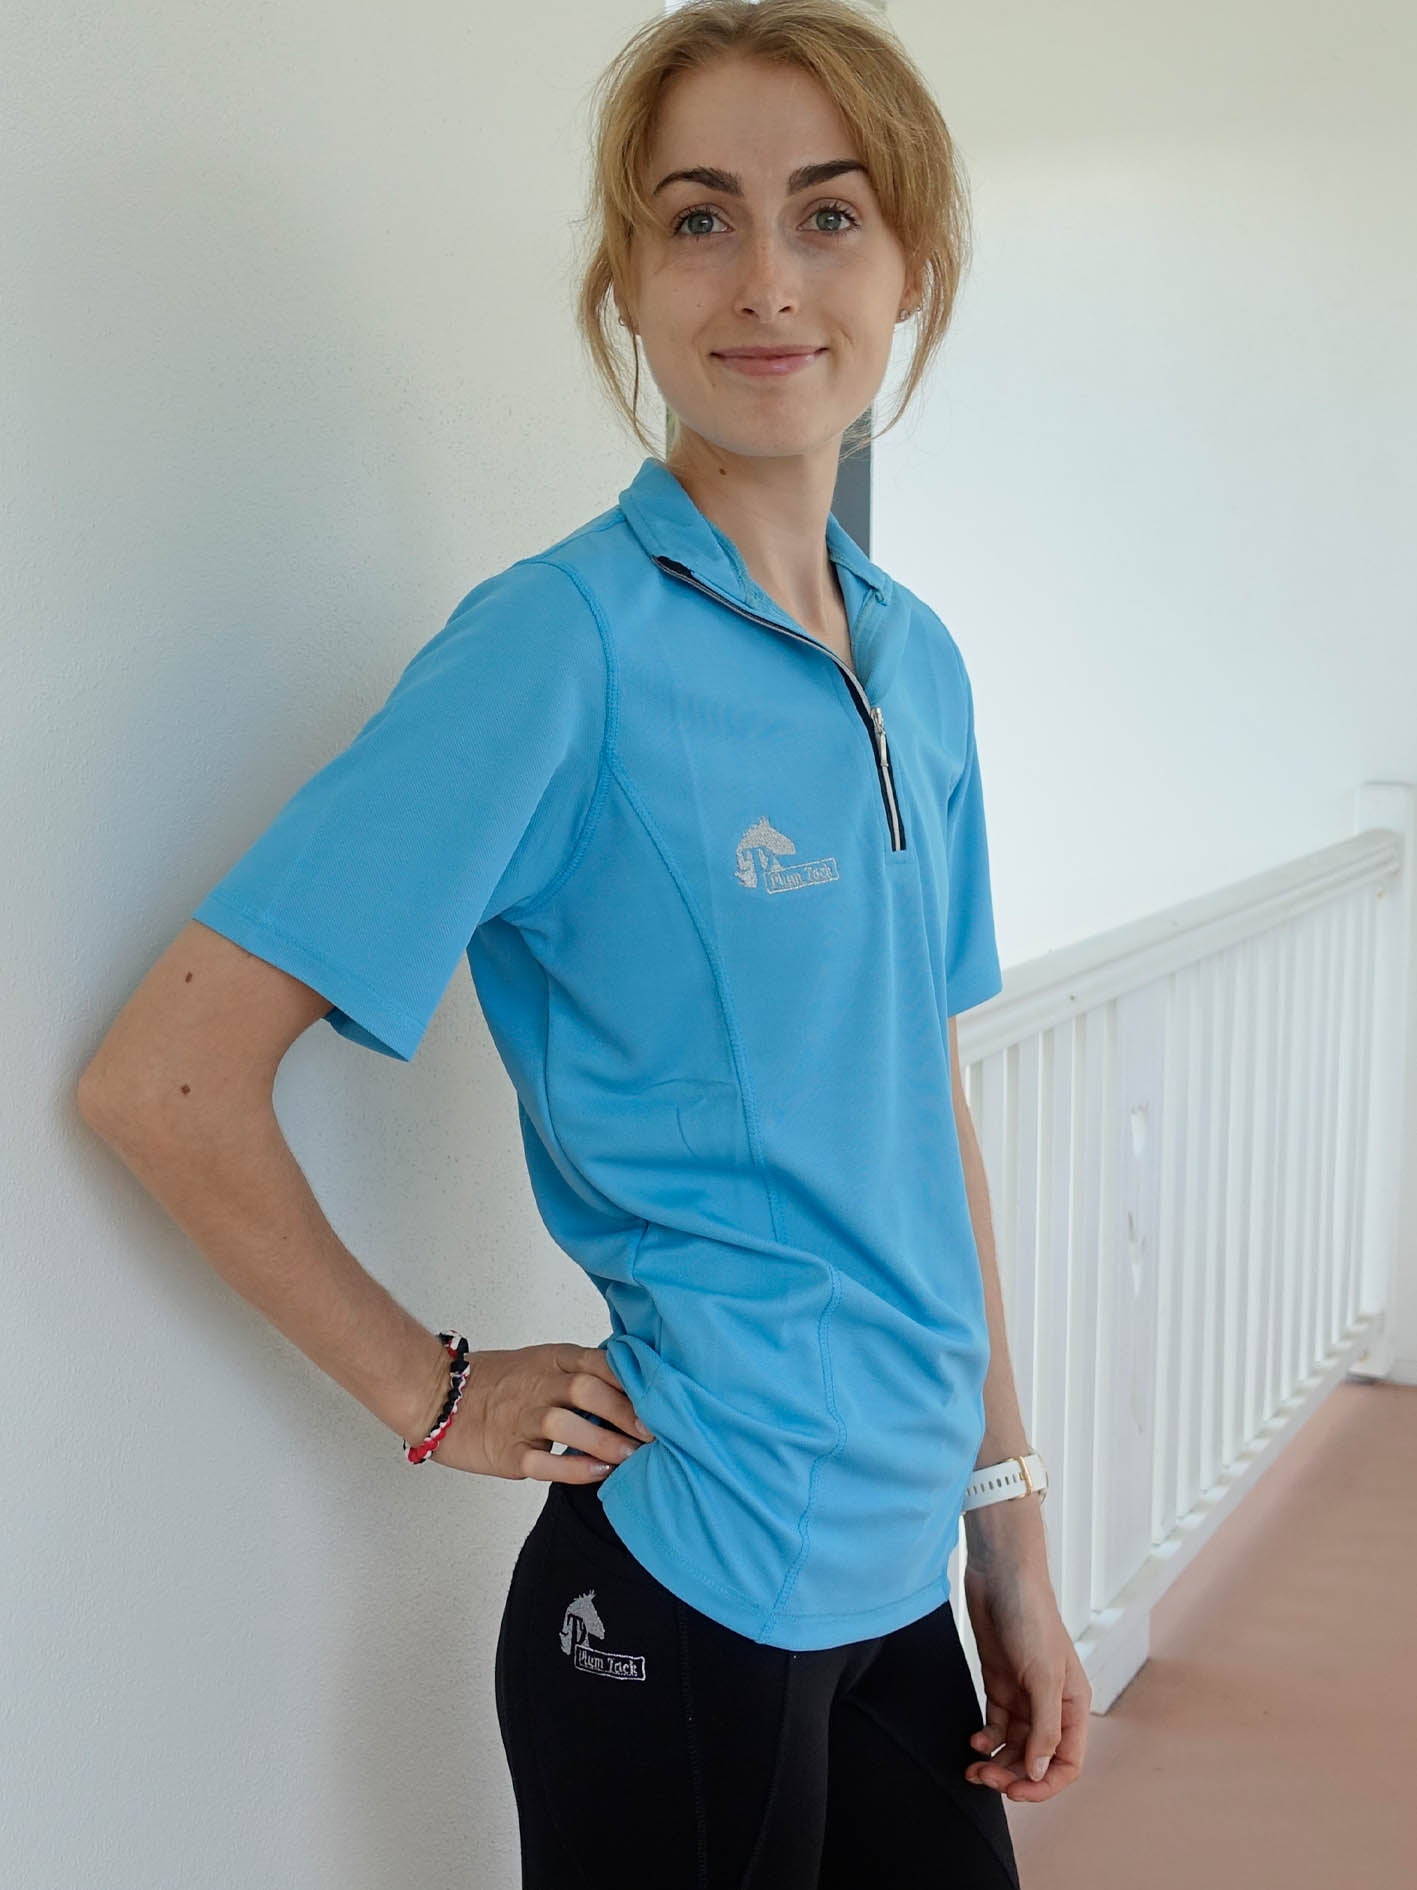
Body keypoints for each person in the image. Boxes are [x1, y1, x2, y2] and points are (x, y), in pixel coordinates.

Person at [77, 2, 1091, 1883]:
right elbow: (169, 1076)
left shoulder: (917, 665)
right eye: (697, 218)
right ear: (625, 277)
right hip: (687, 1583)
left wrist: (1003, 1528)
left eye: (829, 213)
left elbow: (921, 1105)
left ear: (913, 262)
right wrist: (431, 1387)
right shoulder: (561, 645)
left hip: (895, 1584)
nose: (765, 280)